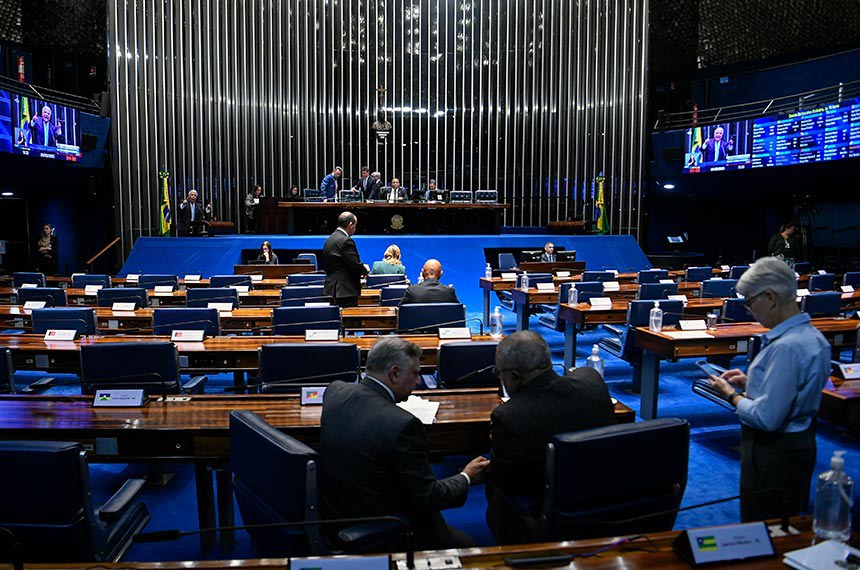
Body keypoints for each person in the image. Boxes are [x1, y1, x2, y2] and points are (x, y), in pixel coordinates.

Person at [320, 337, 490, 550]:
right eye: (415, 373)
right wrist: (466, 477)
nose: (418, 381)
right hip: (383, 527)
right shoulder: (403, 426)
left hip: (334, 514)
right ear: (394, 373)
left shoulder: (335, 391)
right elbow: (428, 497)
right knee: (470, 547)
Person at [708, 256, 830, 522]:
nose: (749, 310)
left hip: (773, 453)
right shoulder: (813, 337)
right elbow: (791, 393)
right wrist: (752, 382)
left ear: (770, 297)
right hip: (799, 444)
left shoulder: (786, 347)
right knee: (785, 525)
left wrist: (731, 394)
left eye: (750, 302)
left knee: (764, 529)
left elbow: (766, 417)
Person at [486, 331, 617, 544]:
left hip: (552, 512)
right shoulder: (592, 380)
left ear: (513, 376)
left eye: (500, 373)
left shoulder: (508, 416)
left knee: (497, 498)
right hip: (609, 500)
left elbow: (504, 481)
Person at [323, 211, 369, 307]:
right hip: (345, 292)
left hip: (331, 290)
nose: (355, 229)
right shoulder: (346, 241)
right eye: (355, 225)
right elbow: (354, 265)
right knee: (349, 321)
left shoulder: (329, 239)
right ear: (350, 225)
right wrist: (365, 269)